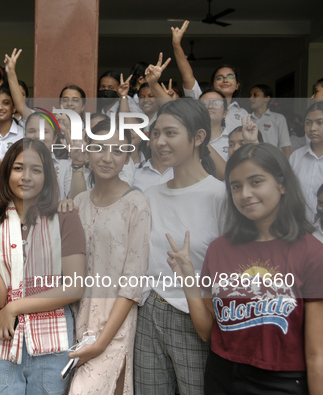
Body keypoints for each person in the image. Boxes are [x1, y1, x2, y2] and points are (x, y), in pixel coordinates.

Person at [166, 143, 323, 394]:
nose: (245, 194)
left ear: (282, 185)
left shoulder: (311, 252)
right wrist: (188, 280)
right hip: (222, 376)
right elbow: (207, 331)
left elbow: (317, 355)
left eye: (256, 181)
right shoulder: (218, 249)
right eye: (236, 186)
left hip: (282, 382)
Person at [0, 138, 86, 395]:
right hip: (2, 340)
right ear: (6, 173)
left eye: (36, 170)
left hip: (53, 344)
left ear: (48, 176)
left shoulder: (65, 217)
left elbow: (74, 288)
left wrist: (15, 307)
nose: (26, 177)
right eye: (18, 168)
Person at [134, 98, 226, 395]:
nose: (159, 141)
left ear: (198, 137)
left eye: (170, 133)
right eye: (156, 133)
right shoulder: (150, 195)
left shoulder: (220, 196)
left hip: (196, 317)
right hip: (148, 313)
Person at [64, 120, 151, 395]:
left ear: (127, 155)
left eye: (116, 150)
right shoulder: (79, 202)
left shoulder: (136, 203)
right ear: (87, 151)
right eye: (99, 148)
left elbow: (132, 282)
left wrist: (102, 342)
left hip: (114, 321)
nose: (107, 157)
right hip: (76, 316)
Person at [170, 21, 248, 134]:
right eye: (219, 78)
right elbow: (187, 75)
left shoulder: (243, 114)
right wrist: (176, 45)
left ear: (237, 85)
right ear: (213, 85)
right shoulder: (202, 102)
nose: (225, 80)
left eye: (230, 77)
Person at [289, 101, 323, 224]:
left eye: (320, 122)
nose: (313, 128)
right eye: (308, 123)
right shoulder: (296, 156)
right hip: (298, 228)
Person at [249, 84, 291, 158]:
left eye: (255, 95)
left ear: (266, 98)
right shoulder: (247, 119)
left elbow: (285, 147)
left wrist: (287, 168)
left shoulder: (278, 118)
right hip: (251, 162)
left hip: (271, 163)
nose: (251, 98)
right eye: (250, 95)